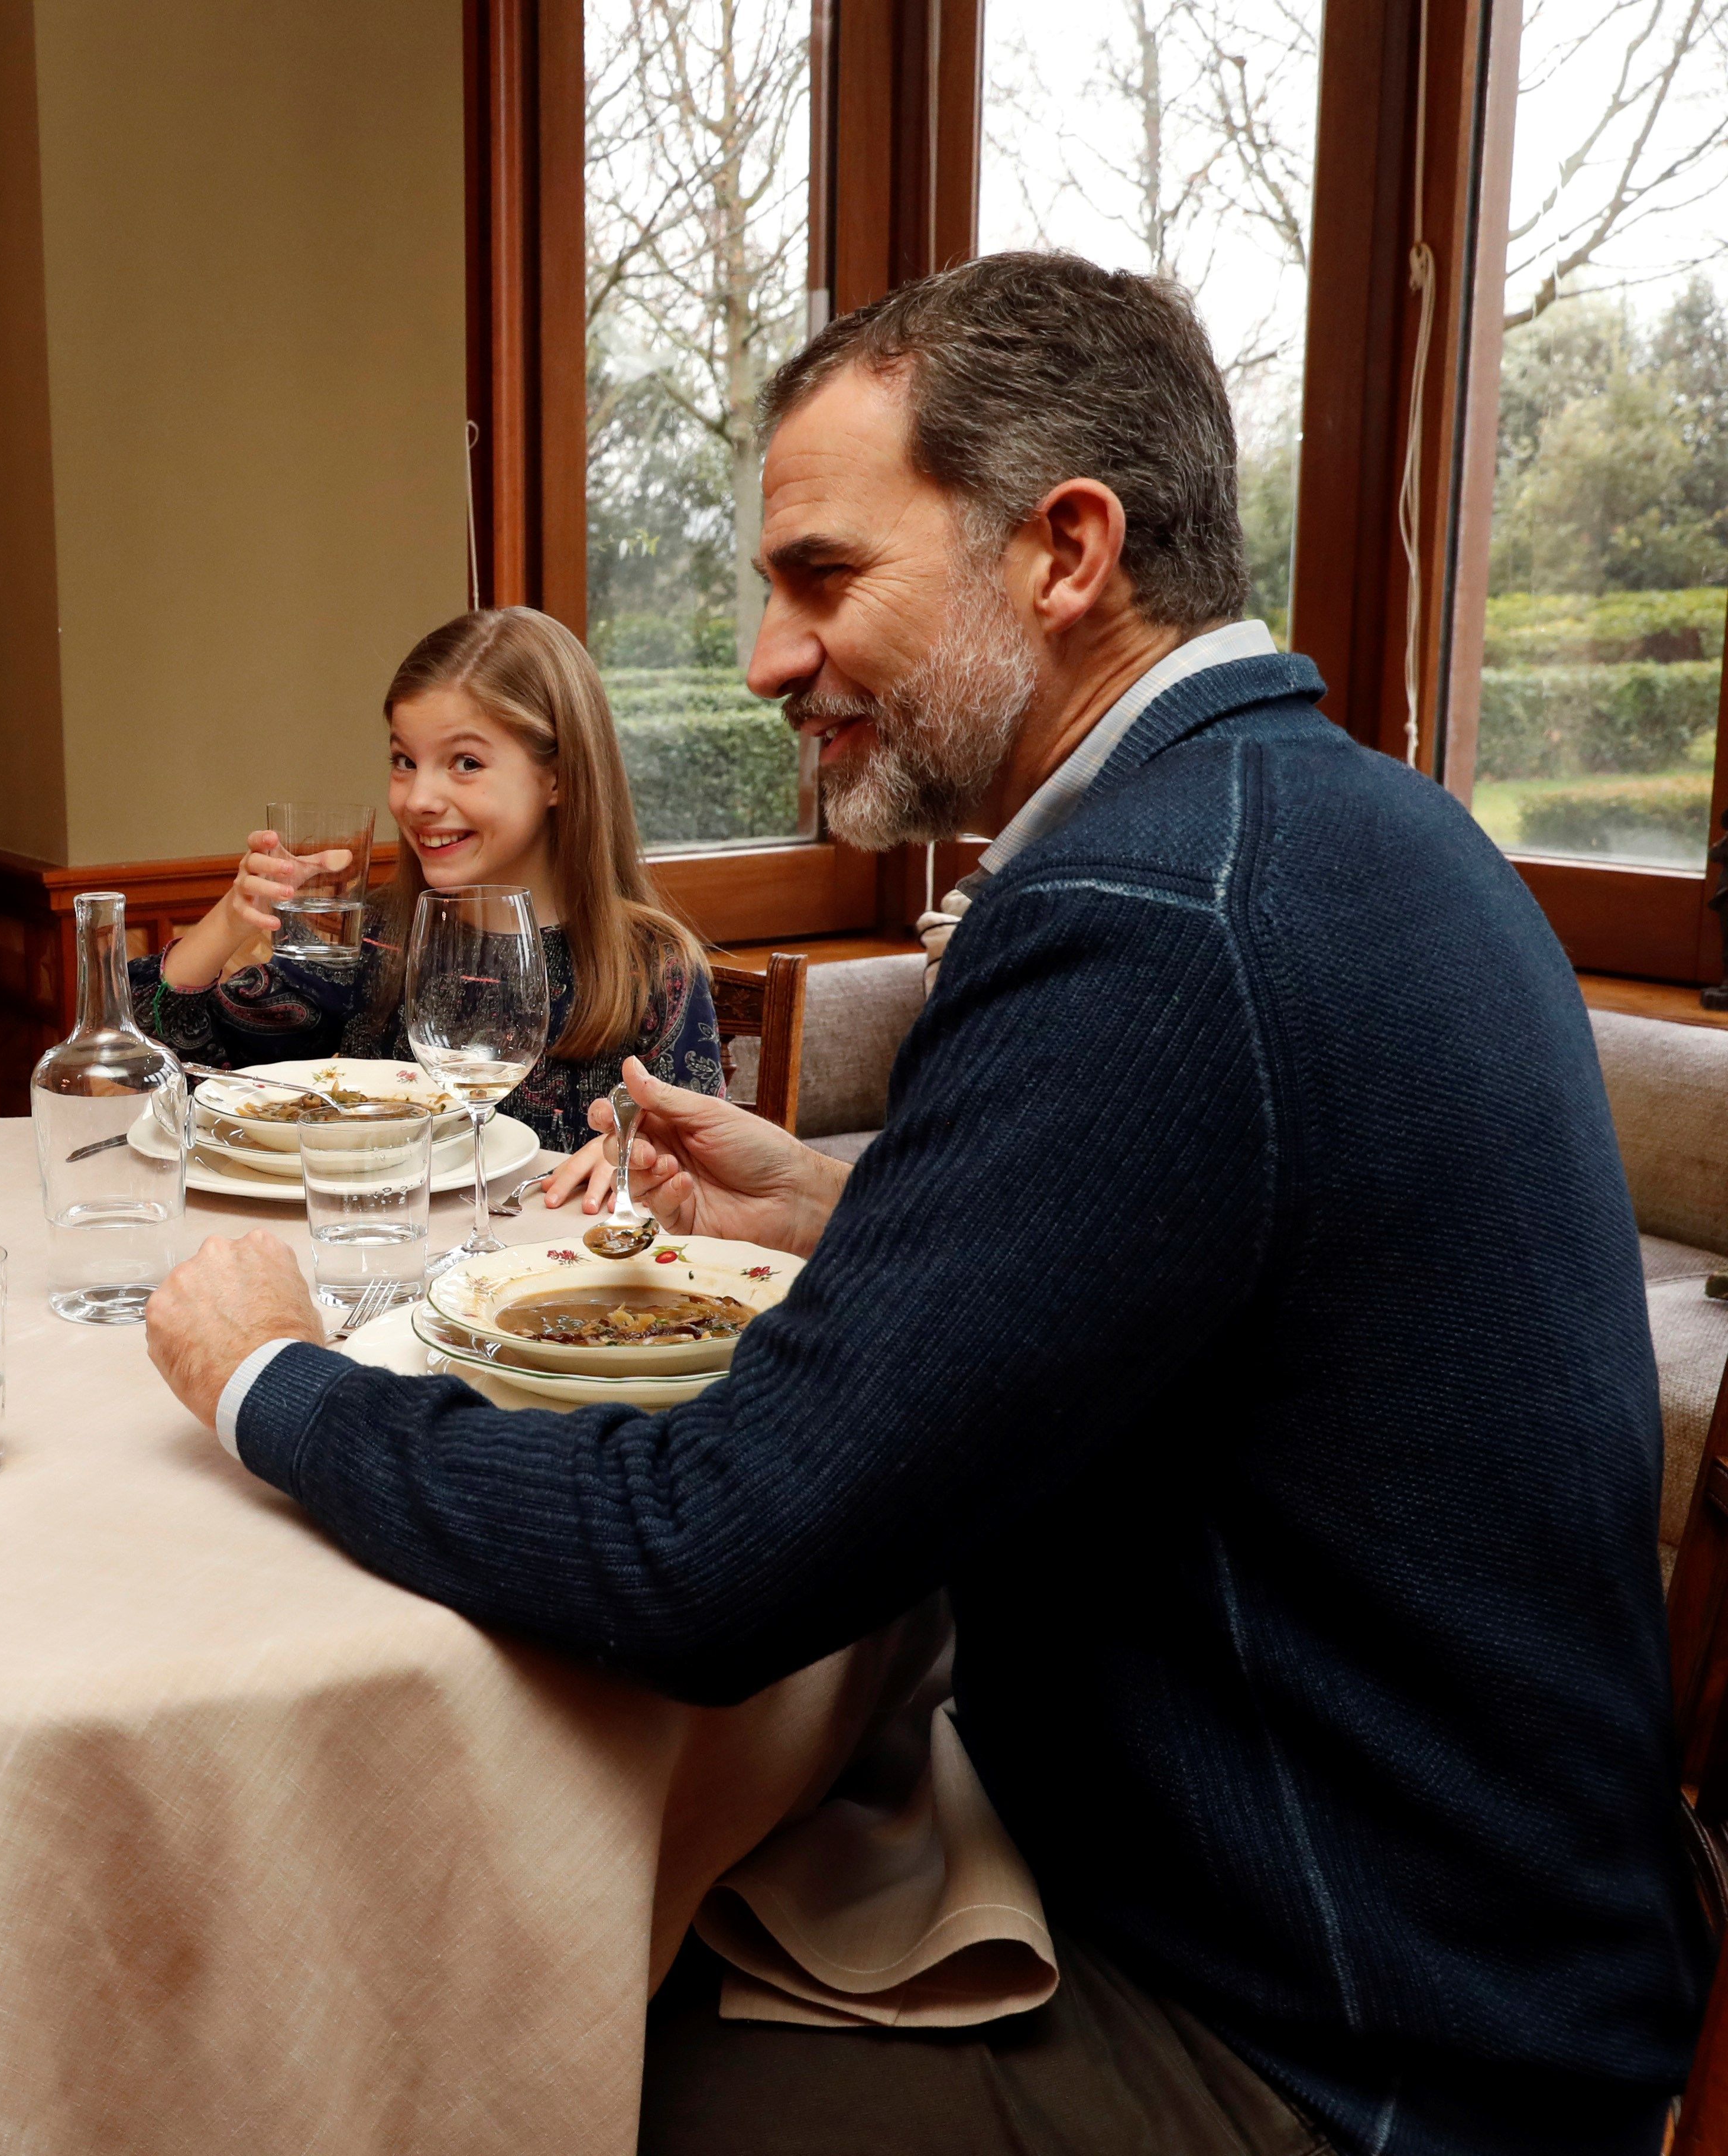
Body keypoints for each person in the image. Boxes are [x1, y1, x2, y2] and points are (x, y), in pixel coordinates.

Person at [140, 252, 1702, 2154]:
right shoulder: (1346, 818)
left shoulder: (1145, 914)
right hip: (1490, 1939)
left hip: (1361, 2046)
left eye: (822, 577)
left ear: (1065, 552)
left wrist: (271, 1381)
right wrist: (861, 1221)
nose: (767, 659)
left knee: (495, 2056)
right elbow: (1212, 1281)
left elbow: (703, 1563)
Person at [131, 608, 726, 1151]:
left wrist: (636, 1162)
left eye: (465, 763)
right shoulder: (374, 938)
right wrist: (232, 917)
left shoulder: (653, 967)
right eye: (404, 761)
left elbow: (694, 1174)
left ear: (559, 777)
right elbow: (178, 1072)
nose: (417, 799)